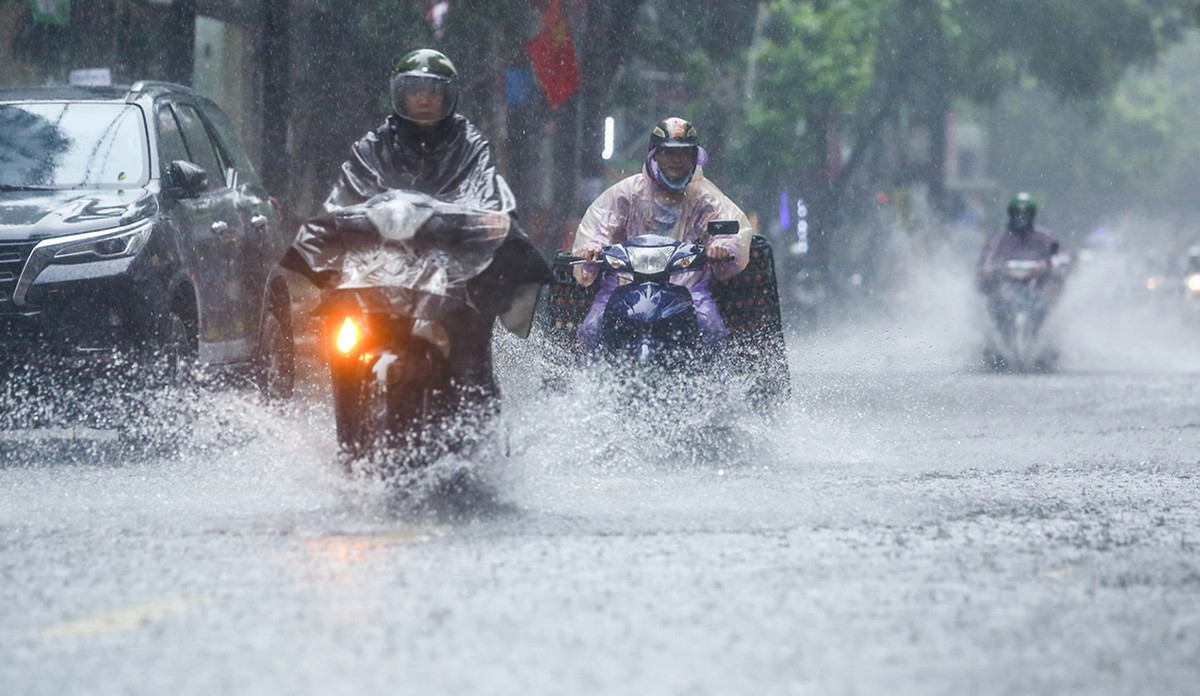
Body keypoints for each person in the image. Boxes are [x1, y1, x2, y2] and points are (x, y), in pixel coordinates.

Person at [283, 48, 549, 402]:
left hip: (451, 272)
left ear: (447, 96)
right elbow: (345, 199)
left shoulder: (469, 145)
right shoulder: (373, 145)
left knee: (471, 351)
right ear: (400, 94)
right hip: (381, 270)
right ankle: (350, 414)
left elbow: (489, 196)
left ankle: (480, 422)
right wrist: (332, 231)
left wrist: (492, 227)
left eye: (433, 91)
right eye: (415, 90)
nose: (424, 99)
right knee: (342, 337)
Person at [570, 117, 754, 352]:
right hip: (624, 282)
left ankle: (713, 378)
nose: (677, 159)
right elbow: (599, 224)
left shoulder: (705, 197)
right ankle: (591, 377)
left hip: (688, 286)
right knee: (592, 329)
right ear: (654, 156)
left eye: (684, 153)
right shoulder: (627, 192)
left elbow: (731, 228)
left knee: (712, 330)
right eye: (669, 152)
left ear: (694, 158)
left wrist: (722, 247)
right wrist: (593, 248)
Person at [976, 192, 1066, 321]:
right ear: (1011, 214)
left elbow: (1059, 254)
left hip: (1036, 287)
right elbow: (988, 257)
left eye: (1025, 214)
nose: (1021, 217)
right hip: (1006, 287)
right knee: (997, 308)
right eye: (1017, 213)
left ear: (1032, 215)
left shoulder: (1045, 237)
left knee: (1044, 306)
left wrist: (1054, 264)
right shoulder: (1000, 238)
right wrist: (988, 268)